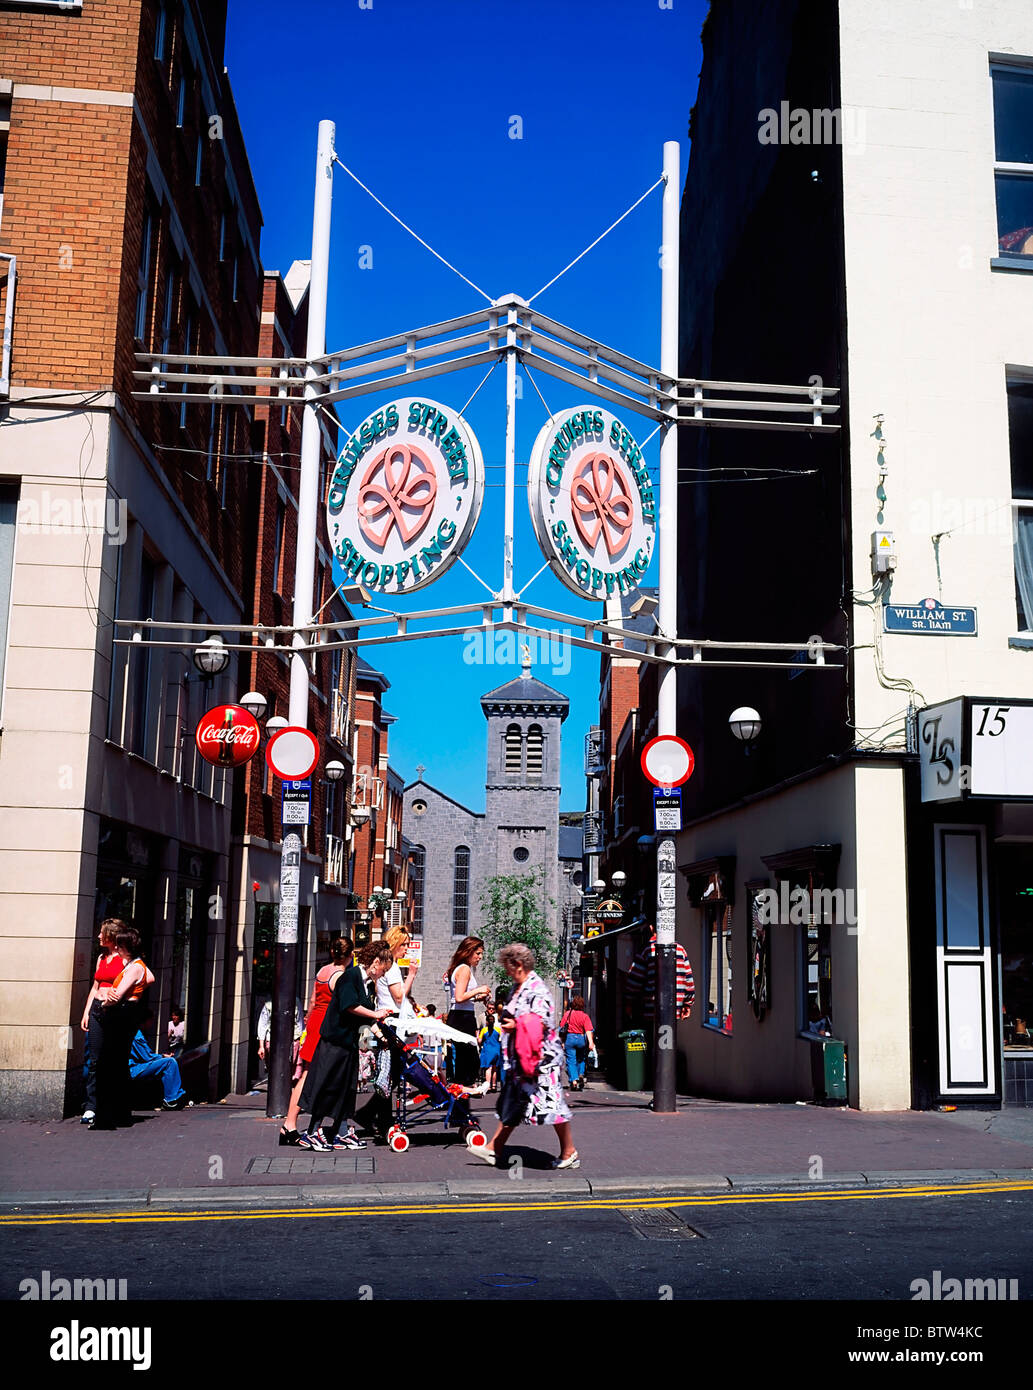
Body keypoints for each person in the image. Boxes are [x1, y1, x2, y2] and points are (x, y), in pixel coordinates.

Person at [477, 943, 578, 1170]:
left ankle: (569, 1151)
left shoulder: (537, 989)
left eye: (508, 966)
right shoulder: (518, 987)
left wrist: (516, 1024)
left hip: (541, 1061)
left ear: (519, 965)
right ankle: (495, 1147)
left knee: (552, 1107)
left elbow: (542, 1023)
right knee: (516, 1103)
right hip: (523, 1060)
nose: (506, 971)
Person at [298, 941, 394, 1151]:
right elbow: (349, 1006)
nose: (383, 975)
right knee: (329, 1086)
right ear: (375, 963)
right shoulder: (350, 977)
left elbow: (365, 1017)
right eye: (383, 970)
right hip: (335, 1041)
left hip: (348, 1043)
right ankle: (312, 1131)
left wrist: (380, 1035)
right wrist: (375, 1015)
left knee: (346, 1089)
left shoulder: (367, 983)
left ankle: (341, 1131)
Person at [280, 937, 353, 1146]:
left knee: (307, 1074)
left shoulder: (322, 971)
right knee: (312, 1076)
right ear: (349, 956)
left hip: (314, 1023)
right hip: (326, 1027)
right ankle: (291, 1124)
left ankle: (291, 1123)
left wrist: (307, 1021)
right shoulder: (340, 976)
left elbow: (313, 1000)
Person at [91, 926, 155, 1130]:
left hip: (122, 1013)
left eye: (120, 945)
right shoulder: (136, 965)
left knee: (108, 1064)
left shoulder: (134, 967)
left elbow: (117, 994)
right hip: (127, 1012)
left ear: (127, 947)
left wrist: (105, 1004)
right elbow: (150, 977)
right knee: (117, 1064)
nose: (116, 948)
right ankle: (119, 1113)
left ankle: (107, 1116)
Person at [79, 919, 123, 1124]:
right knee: (95, 1059)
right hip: (97, 1009)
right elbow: (95, 987)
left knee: (111, 1058)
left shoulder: (125, 960)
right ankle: (91, 1105)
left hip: (114, 1012)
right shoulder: (101, 958)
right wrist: (86, 1012)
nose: (98, 936)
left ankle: (112, 1104)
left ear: (111, 937)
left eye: (102, 933)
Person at [445, 936, 491, 1085]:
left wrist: (478, 997)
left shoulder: (461, 968)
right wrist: (479, 989)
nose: (480, 957)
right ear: (468, 952)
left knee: (465, 1060)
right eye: (477, 953)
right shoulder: (464, 969)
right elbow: (459, 997)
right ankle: (461, 1091)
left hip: (461, 1015)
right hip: (462, 1018)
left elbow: (462, 997)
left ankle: (460, 1092)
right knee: (470, 1061)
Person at [128, 1026, 188, 1110]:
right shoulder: (136, 1033)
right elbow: (148, 1057)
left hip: (133, 1067)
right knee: (170, 1062)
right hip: (133, 1069)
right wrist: (163, 1056)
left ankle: (175, 1095)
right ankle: (171, 1099)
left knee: (165, 1063)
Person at [559, 994, 596, 1092]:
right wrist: (591, 1043)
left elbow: (562, 1028)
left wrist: (562, 1041)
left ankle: (574, 1080)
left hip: (569, 1038)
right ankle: (581, 1074)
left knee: (571, 1060)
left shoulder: (567, 1014)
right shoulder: (585, 1016)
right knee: (581, 1059)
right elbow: (588, 1030)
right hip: (580, 1039)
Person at [478, 996, 503, 1091]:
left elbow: (480, 1040)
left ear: (487, 1022)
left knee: (488, 1068)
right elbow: (500, 1038)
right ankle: (494, 1085)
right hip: (496, 1049)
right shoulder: (498, 1029)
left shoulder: (484, 1030)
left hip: (487, 1049)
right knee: (495, 1068)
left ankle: (487, 1086)